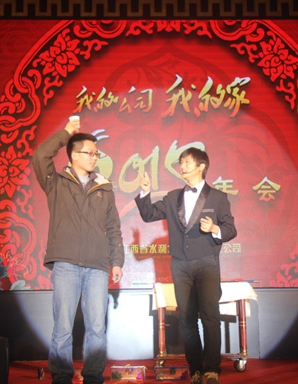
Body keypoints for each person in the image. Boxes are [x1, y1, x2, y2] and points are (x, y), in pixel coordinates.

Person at [32, 116, 124, 384]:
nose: (94, 158)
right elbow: (40, 155)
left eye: (97, 154)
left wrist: (117, 261)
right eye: (89, 153)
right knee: (63, 326)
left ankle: (93, 376)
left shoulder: (104, 187)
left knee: (97, 327)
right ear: (73, 155)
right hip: (66, 263)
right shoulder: (56, 182)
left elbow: (113, 227)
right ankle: (61, 376)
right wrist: (66, 133)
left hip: (97, 266)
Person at [135, 147, 237, 384]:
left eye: (187, 162)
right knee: (187, 320)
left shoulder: (218, 197)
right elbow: (149, 214)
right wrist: (145, 191)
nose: (182, 166)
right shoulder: (172, 197)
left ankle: (212, 369)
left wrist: (214, 228)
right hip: (180, 264)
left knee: (210, 317)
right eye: (180, 162)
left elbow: (230, 229)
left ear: (201, 166)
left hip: (207, 262)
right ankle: (196, 370)